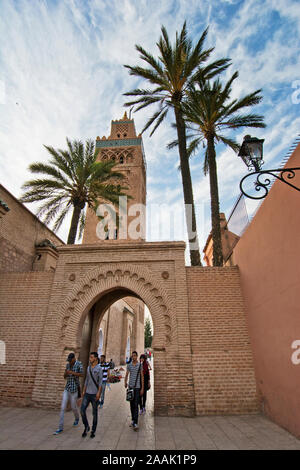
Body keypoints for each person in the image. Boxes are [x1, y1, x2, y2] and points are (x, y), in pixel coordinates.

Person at [53, 352, 83, 435]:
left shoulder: (79, 364)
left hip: (74, 390)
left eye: (70, 360)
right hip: (67, 388)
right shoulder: (67, 365)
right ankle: (60, 427)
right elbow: (64, 376)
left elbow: (82, 374)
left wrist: (72, 373)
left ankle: (77, 418)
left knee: (73, 407)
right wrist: (66, 373)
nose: (69, 362)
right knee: (63, 407)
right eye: (68, 360)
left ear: (74, 358)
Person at [80, 352, 102, 438]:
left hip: (94, 394)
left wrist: (98, 393)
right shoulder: (89, 368)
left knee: (94, 413)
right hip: (87, 393)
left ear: (96, 358)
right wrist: (83, 390)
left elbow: (100, 382)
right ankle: (86, 426)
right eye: (90, 357)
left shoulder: (99, 368)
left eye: (92, 357)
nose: (90, 358)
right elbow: (86, 379)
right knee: (82, 410)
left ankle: (93, 430)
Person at [124, 351, 144, 431]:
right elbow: (127, 374)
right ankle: (133, 419)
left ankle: (135, 422)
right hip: (130, 387)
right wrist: (125, 382)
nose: (133, 357)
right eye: (132, 356)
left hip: (137, 388)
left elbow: (142, 376)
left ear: (137, 356)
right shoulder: (129, 365)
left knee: (136, 404)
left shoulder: (140, 365)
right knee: (131, 404)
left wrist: (142, 388)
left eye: (135, 356)